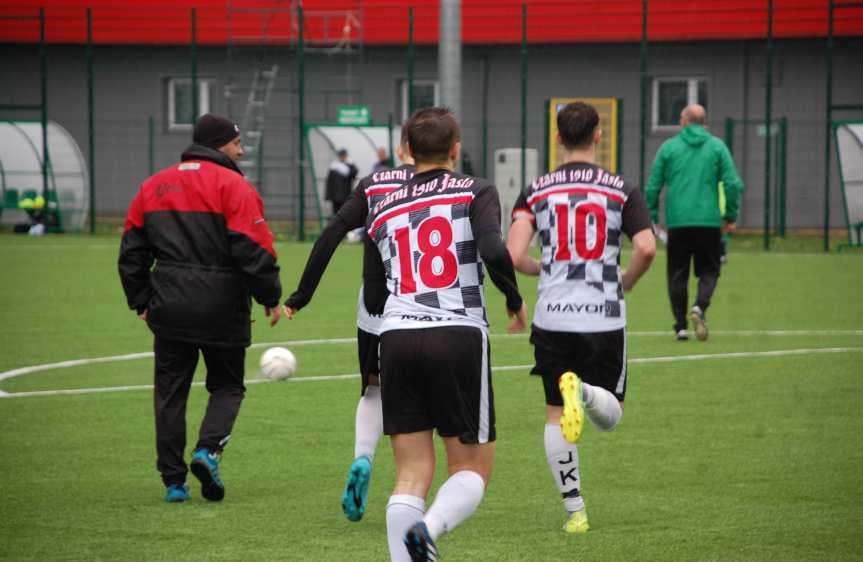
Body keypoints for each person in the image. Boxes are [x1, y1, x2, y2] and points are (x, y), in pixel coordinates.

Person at [365, 107, 526, 561]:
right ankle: (429, 529)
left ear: (407, 151)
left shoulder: (384, 204)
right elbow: (494, 249)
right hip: (457, 333)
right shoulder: (476, 189)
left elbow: (375, 283)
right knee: (471, 468)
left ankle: (407, 552)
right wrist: (513, 299)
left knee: (411, 472)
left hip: (395, 337)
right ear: (456, 149)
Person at [507, 101, 656, 534]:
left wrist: (539, 268)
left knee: (555, 413)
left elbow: (513, 253)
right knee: (611, 416)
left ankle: (576, 510)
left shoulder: (536, 190)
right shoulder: (621, 189)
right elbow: (646, 247)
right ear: (598, 136)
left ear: (557, 139)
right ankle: (588, 393)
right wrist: (626, 279)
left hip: (552, 316)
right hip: (603, 316)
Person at [118, 113, 283, 503]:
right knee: (226, 385)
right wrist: (270, 295)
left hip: (169, 305)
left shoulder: (153, 186)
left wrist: (140, 300)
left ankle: (174, 482)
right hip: (222, 306)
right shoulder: (235, 186)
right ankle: (208, 451)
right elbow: (253, 249)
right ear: (220, 144)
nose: (241, 151)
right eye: (237, 144)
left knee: (170, 393)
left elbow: (131, 251)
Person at [283, 127, 416, 523]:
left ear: (399, 148)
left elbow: (332, 233)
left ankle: (363, 458)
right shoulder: (451, 186)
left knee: (373, 389)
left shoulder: (374, 182)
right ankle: (410, 493)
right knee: (417, 403)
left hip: (375, 306)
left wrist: (302, 294)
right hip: (427, 306)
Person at [646, 104, 743, 341]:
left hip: (678, 222)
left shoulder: (669, 148)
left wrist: (653, 216)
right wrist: (730, 215)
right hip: (708, 222)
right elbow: (732, 183)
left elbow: (653, 185)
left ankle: (680, 327)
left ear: (683, 121)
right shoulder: (717, 146)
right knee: (709, 270)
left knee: (677, 273)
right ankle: (699, 307)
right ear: (704, 122)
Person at [325, 149, 358, 215]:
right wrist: (328, 195)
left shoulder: (349, 166)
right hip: (335, 196)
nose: (343, 157)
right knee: (336, 214)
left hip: (346, 195)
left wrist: (351, 165)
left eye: (344, 155)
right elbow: (330, 182)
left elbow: (354, 173)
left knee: (345, 213)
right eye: (341, 155)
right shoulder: (334, 167)